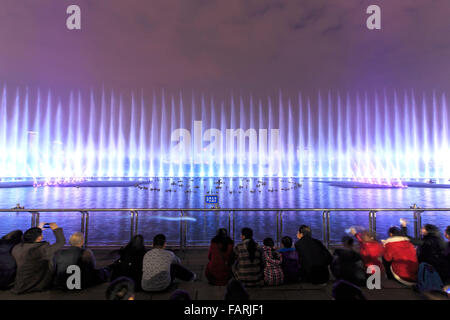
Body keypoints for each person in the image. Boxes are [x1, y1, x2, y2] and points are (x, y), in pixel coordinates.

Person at [11, 223, 65, 294]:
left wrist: (38, 230)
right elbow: (61, 242)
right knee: (51, 259)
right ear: (39, 238)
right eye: (41, 235)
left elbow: (30, 242)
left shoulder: (17, 248)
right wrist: (56, 229)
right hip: (36, 285)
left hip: (20, 284)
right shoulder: (41, 250)